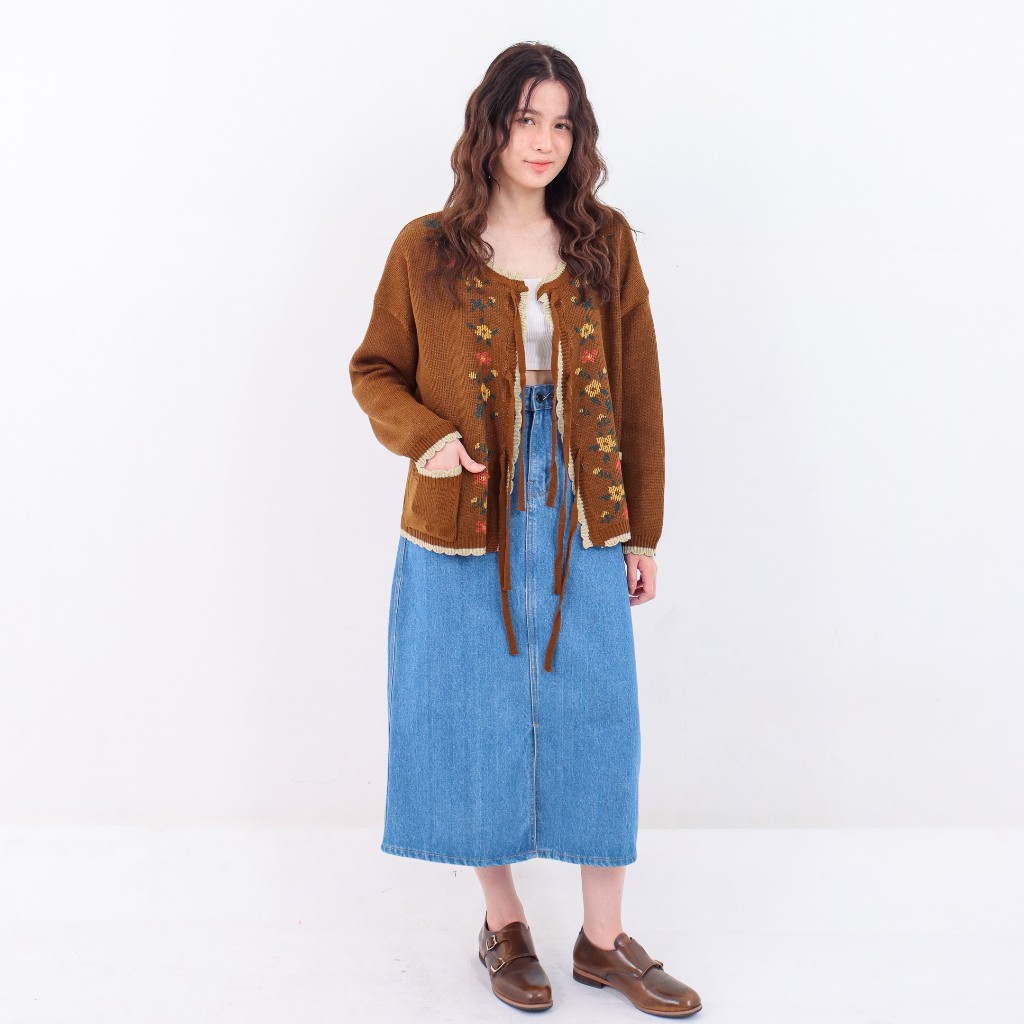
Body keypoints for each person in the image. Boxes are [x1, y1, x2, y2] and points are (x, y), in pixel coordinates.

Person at [349, 41, 701, 1018]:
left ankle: (602, 941)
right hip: (463, 509)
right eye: (525, 119)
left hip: (584, 503)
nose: (544, 141)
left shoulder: (603, 241)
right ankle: (503, 920)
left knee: (600, 713)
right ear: (490, 126)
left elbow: (639, 392)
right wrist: (425, 438)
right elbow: (375, 369)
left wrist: (643, 532)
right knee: (470, 709)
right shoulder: (426, 246)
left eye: (562, 123)